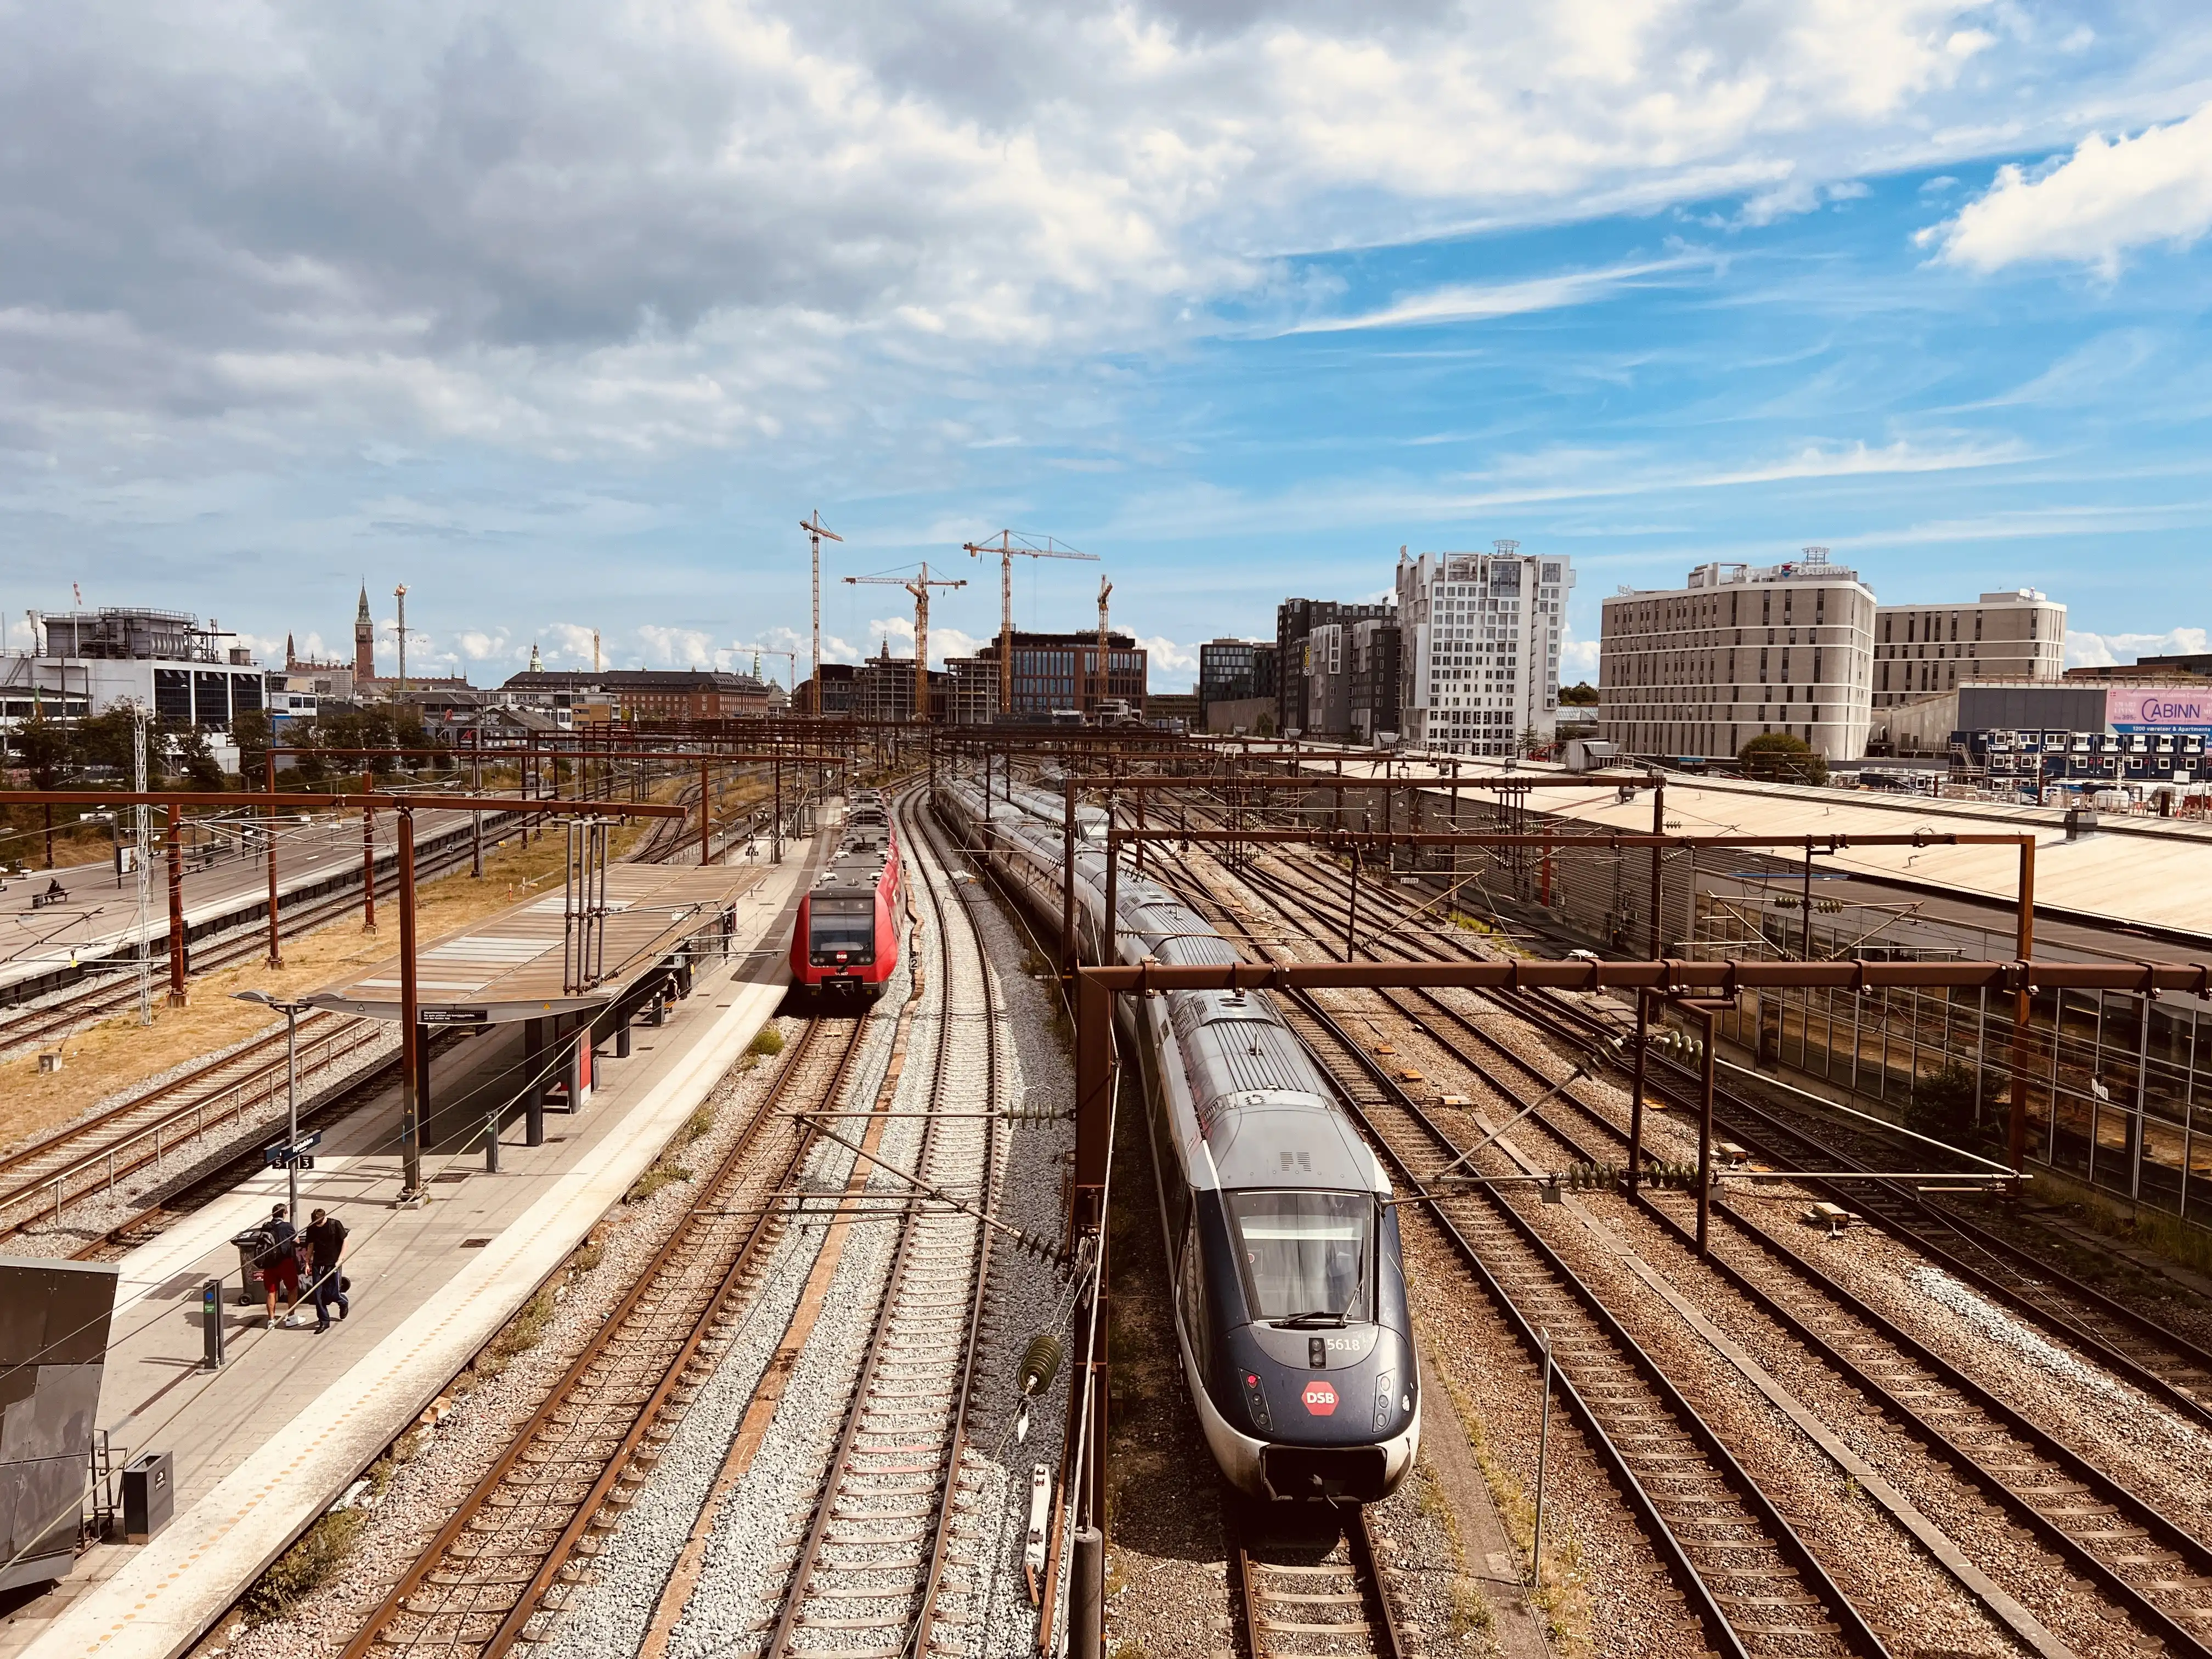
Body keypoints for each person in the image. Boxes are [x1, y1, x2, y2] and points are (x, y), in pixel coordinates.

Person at [303, 1207, 350, 1332]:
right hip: (318, 1263)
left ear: (325, 1218)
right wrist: (307, 1262)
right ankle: (324, 1321)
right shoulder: (312, 1227)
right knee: (317, 1295)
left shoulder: (335, 1224)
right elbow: (311, 1245)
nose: (318, 1226)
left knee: (333, 1293)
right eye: (315, 1224)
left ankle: (343, 1302)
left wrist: (340, 1259)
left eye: (319, 1223)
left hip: (333, 1263)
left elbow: (345, 1241)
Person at [255, 1202, 301, 1327]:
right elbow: (297, 1241)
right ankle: (291, 1317)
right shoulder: (287, 1226)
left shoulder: (266, 1226)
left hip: (269, 1264)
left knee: (271, 1292)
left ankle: (271, 1320)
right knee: (292, 1288)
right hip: (285, 1262)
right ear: (285, 1213)